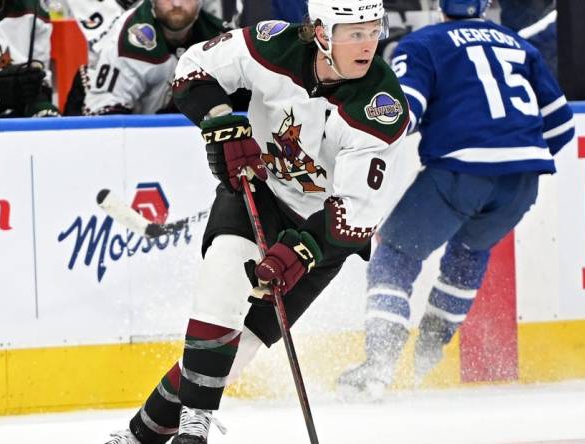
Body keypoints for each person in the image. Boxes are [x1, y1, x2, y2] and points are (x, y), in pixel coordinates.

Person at [105, 0, 409, 443]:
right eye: (353, 33)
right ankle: (194, 429)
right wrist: (220, 122)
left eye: (372, 31)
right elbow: (193, 69)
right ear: (321, 33)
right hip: (258, 191)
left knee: (233, 354)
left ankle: (138, 437)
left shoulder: (379, 108)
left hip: (321, 231)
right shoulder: (273, 45)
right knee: (219, 297)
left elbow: (354, 216)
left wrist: (302, 251)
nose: (367, 46)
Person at [335, 0, 575, 399]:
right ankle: (430, 350)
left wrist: (355, 142)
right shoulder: (518, 45)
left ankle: (379, 366)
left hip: (461, 173)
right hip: (523, 182)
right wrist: (510, 150)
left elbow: (403, 116)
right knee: (468, 253)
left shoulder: (423, 44)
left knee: (395, 254)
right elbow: (563, 127)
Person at [68, 0, 233, 115]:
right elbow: (105, 113)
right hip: (126, 121)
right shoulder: (130, 34)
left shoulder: (222, 37)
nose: (177, 4)